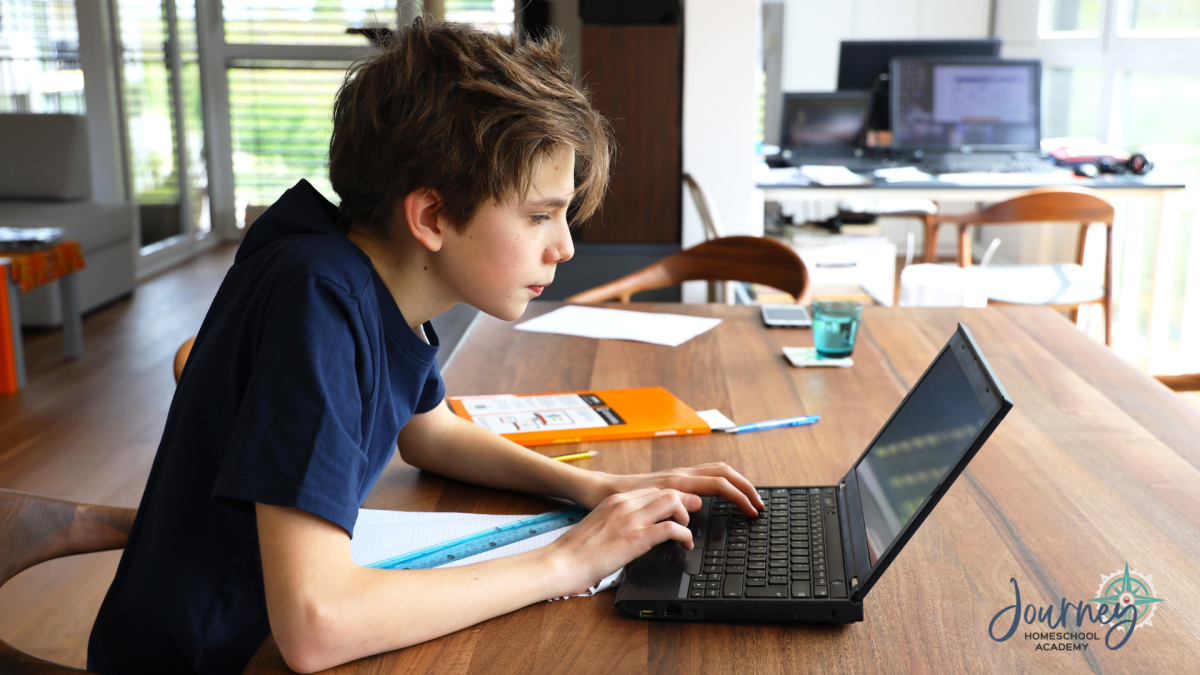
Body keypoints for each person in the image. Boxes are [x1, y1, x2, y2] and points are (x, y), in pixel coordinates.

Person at [88, 18, 764, 675]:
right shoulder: (321, 300)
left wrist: (596, 487)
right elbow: (317, 624)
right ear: (432, 216)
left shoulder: (366, 273)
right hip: (211, 655)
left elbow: (429, 432)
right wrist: (569, 559)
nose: (564, 246)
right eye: (539, 215)